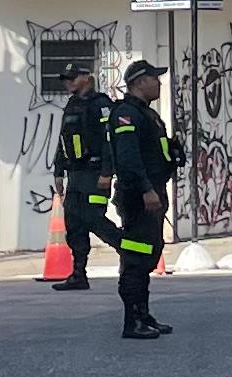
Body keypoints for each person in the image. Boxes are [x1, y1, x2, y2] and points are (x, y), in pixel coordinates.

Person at [107, 58, 176, 340]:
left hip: (154, 193)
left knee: (150, 253)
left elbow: (154, 152)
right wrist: (146, 188)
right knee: (136, 257)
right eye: (154, 78)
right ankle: (131, 320)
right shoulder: (125, 114)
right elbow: (127, 158)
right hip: (139, 197)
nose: (159, 83)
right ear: (138, 83)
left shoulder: (148, 115)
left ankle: (143, 313)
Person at [50, 62, 114, 289]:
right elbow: (63, 140)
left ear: (87, 78)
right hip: (75, 175)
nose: (68, 82)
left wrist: (107, 173)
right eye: (66, 78)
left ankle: (128, 251)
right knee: (74, 223)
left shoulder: (101, 104)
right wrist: (58, 171)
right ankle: (78, 274)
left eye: (73, 78)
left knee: (94, 219)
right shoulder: (72, 105)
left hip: (95, 174)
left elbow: (110, 142)